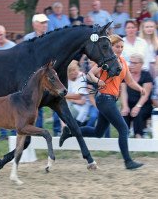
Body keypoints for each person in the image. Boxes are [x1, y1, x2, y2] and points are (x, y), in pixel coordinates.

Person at [60, 34, 145, 170]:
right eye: (117, 46)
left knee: (98, 132)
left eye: (122, 47)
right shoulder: (106, 59)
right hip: (105, 99)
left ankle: (70, 131)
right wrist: (97, 80)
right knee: (123, 129)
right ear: (111, 46)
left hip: (110, 100)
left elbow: (129, 81)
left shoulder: (122, 62)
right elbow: (90, 74)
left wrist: (140, 88)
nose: (120, 49)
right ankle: (128, 161)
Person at [24, 13, 62, 136]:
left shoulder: (51, 38)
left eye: (45, 22)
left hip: (49, 77)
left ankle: (57, 130)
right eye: (42, 23)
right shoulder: (28, 39)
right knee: (36, 103)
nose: (44, 25)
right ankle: (38, 130)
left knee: (56, 100)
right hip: (35, 78)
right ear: (35, 24)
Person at [121, 53, 153, 138]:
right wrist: (125, 106)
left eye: (134, 63)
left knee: (137, 113)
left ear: (141, 64)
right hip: (129, 104)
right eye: (130, 62)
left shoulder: (146, 75)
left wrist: (138, 106)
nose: (131, 65)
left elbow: (145, 95)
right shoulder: (125, 74)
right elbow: (123, 92)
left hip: (144, 105)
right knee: (124, 113)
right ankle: (124, 137)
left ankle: (138, 136)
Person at [65, 60, 89, 126]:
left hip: (81, 107)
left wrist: (65, 96)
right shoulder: (67, 80)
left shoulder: (81, 77)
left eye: (74, 70)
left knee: (67, 116)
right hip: (72, 105)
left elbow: (80, 98)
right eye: (71, 71)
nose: (73, 72)